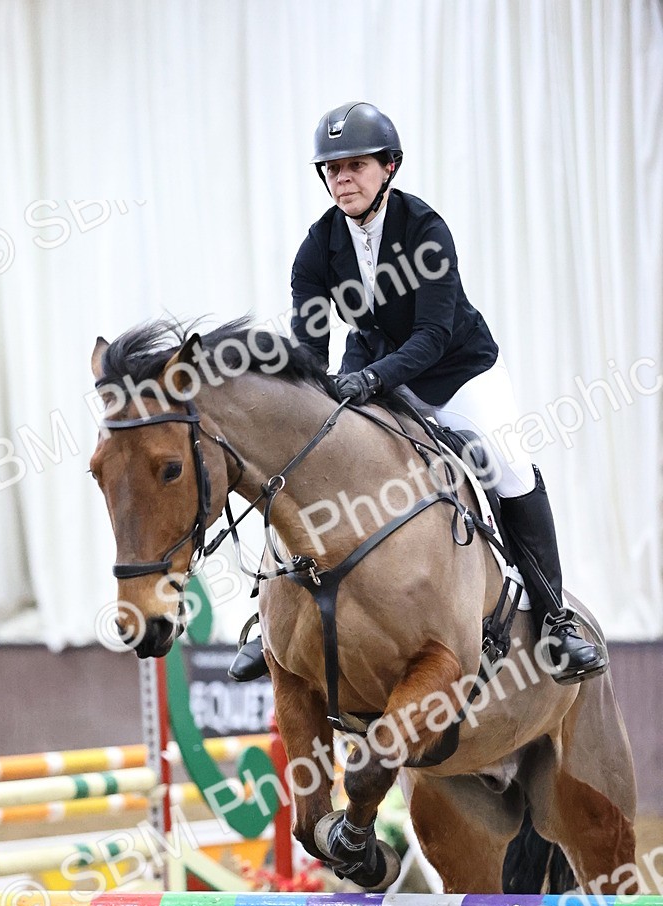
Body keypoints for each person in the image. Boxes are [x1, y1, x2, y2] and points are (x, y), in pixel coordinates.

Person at [229, 100, 605, 686]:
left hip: (456, 370)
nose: (342, 178)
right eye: (332, 169)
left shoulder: (425, 229)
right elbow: (309, 349)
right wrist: (304, 398)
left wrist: (371, 380)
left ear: (389, 167)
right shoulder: (318, 246)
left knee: (508, 467)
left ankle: (555, 620)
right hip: (373, 368)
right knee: (302, 458)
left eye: (355, 165)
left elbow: (432, 334)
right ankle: (269, 618)